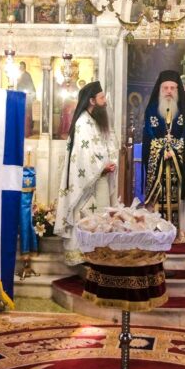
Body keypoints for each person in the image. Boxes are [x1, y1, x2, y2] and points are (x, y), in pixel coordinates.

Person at [54, 81, 118, 265]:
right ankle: (86, 257)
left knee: (102, 217)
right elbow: (83, 155)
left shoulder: (96, 121)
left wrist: (111, 161)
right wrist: (102, 167)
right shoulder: (82, 122)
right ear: (92, 100)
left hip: (100, 179)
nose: (105, 101)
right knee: (88, 219)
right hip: (87, 183)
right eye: (101, 98)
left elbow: (106, 144)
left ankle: (99, 257)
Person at [142, 70, 185, 243]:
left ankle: (180, 234)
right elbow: (149, 134)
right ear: (160, 89)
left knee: (178, 197)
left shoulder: (184, 111)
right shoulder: (151, 110)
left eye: (173, 88)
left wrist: (176, 150)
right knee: (158, 198)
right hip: (158, 164)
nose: (169, 91)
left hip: (178, 165)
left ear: (178, 90)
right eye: (166, 88)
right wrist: (162, 150)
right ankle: (157, 233)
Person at [16, 62, 36, 136]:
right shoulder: (19, 75)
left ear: (24, 67)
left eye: (22, 66)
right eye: (20, 66)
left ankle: (26, 131)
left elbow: (30, 87)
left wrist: (28, 94)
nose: (20, 67)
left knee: (27, 116)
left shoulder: (27, 75)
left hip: (26, 99)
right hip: (20, 98)